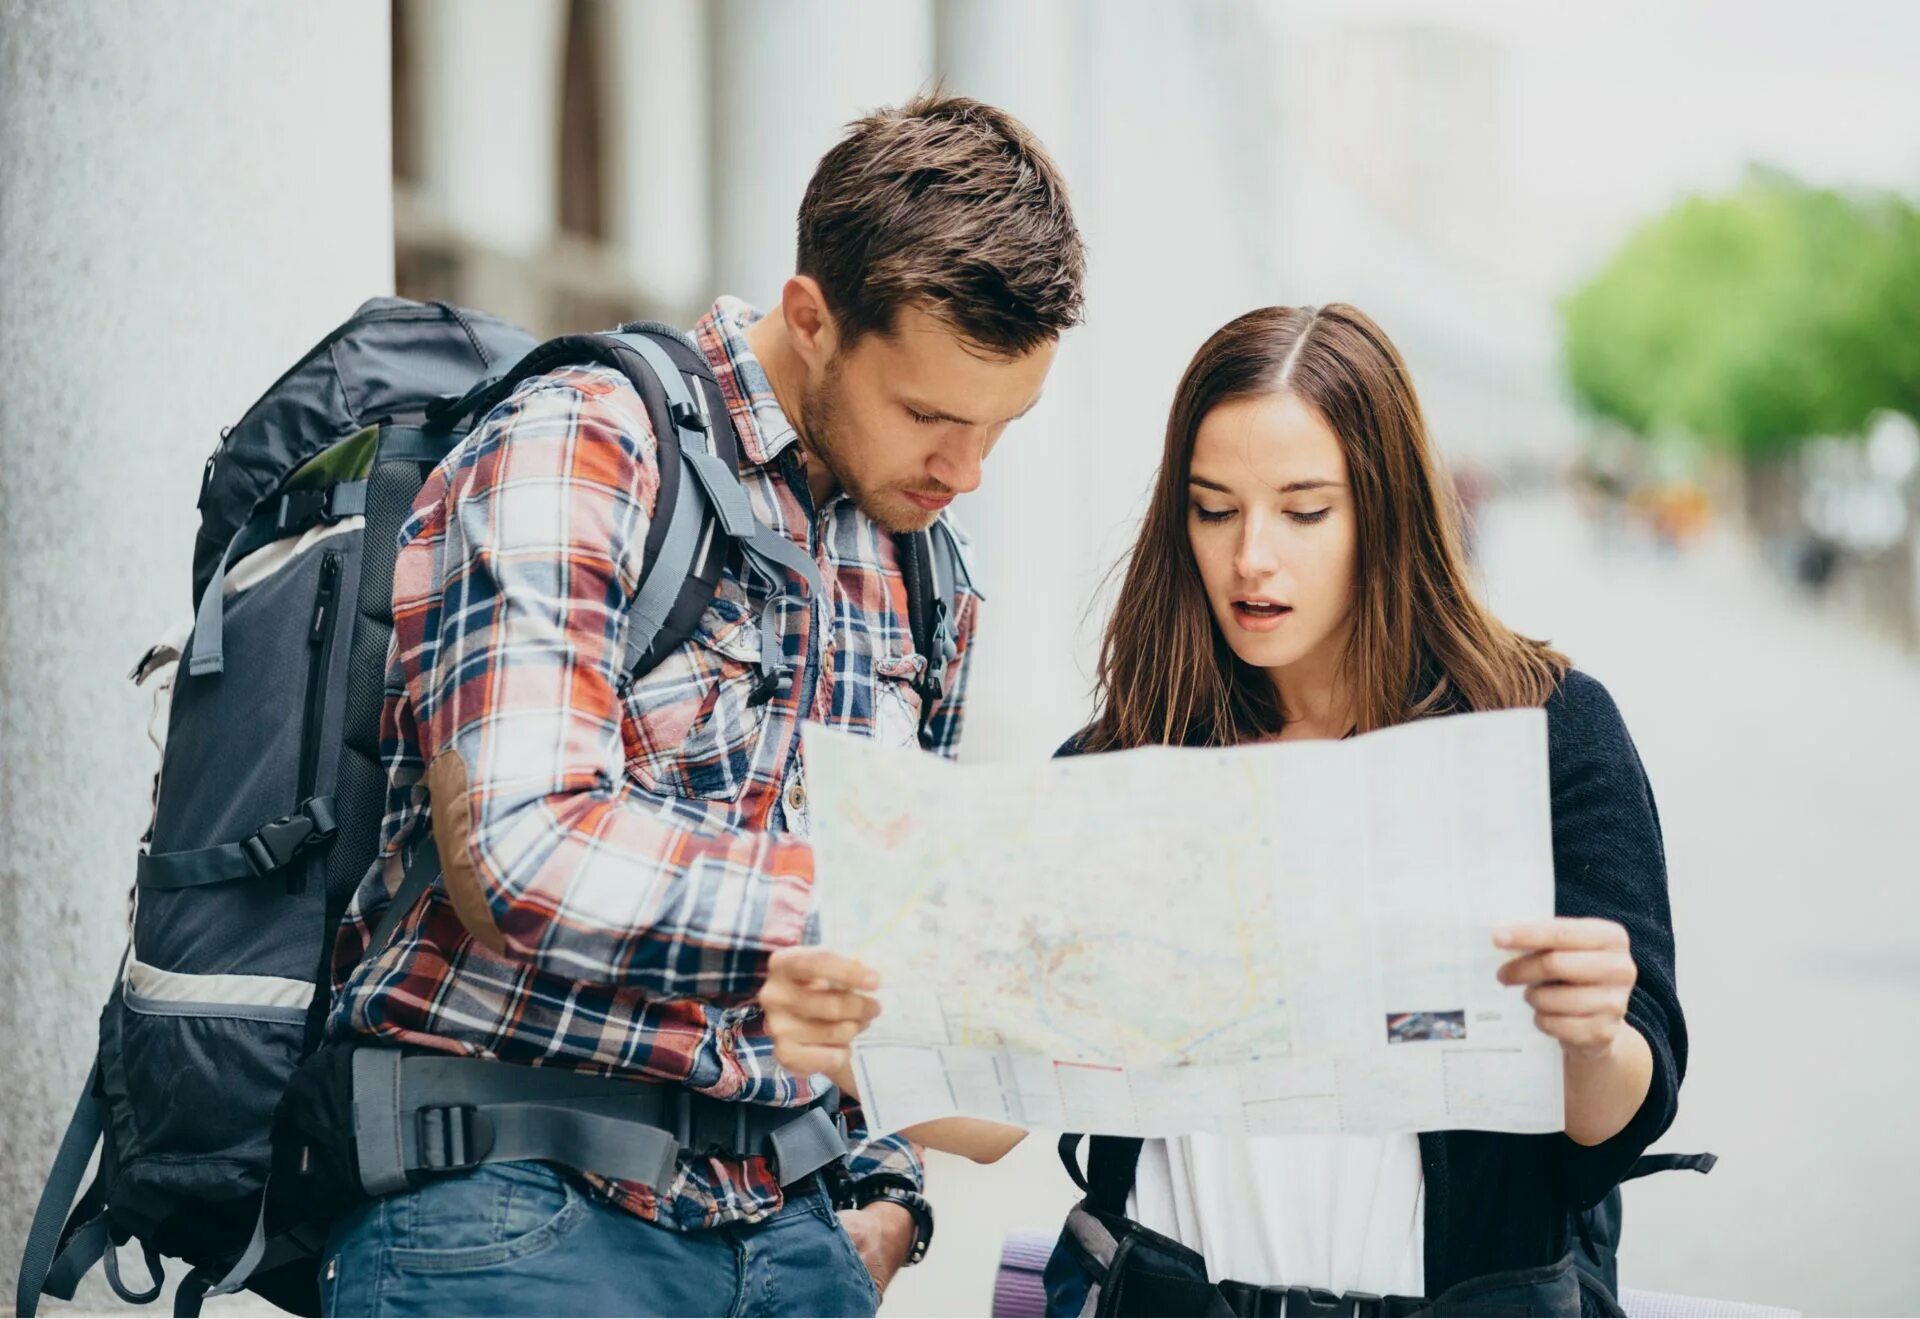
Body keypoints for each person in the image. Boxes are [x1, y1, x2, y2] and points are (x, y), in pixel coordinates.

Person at [318, 95, 1085, 1318]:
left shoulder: (923, 570)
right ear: (811, 319)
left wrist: (883, 1207)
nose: (964, 470)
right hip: (517, 1217)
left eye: (1000, 428)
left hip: (793, 1238)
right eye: (930, 415)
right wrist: (881, 911)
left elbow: (871, 1018)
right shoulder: (584, 444)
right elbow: (521, 849)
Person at [763, 305, 1685, 1316]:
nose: (1252, 557)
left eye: (1303, 510)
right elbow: (1006, 1103)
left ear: (1386, 507)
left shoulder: (1545, 728)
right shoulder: (1121, 765)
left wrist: (1590, 1034)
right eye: (1214, 508)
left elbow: (1625, 1108)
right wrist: (856, 1047)